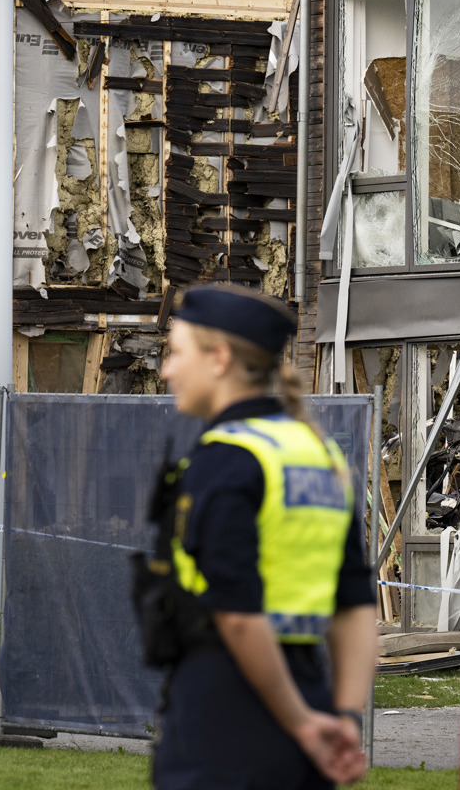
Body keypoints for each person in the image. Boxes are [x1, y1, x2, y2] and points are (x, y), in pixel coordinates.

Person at [148, 283, 378, 789]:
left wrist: (301, 724)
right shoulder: (317, 454)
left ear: (220, 358)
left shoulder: (225, 458)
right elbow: (357, 604)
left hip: (225, 714)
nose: (167, 370)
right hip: (309, 693)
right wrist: (343, 718)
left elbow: (237, 617)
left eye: (176, 352)